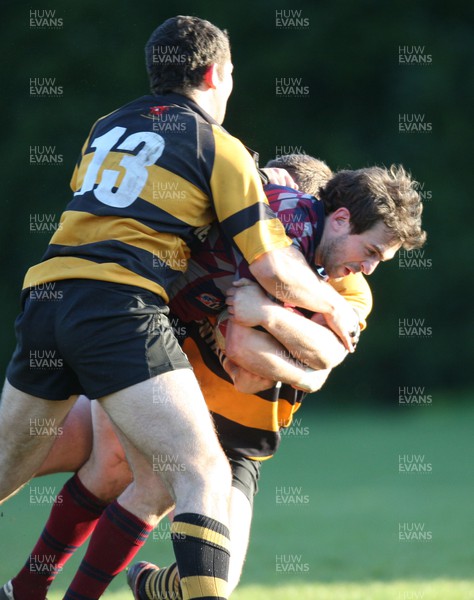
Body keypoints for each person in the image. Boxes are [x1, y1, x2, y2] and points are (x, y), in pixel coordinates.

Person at [0, 15, 360, 600]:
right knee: (202, 473)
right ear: (216, 73)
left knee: (6, 469)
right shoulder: (220, 146)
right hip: (119, 306)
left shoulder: (107, 126)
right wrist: (332, 307)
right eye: (233, 76)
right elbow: (270, 263)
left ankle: (30, 589)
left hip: (47, 295)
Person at [1, 156, 426, 599]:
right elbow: (246, 353)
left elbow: (318, 362)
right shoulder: (260, 242)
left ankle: (146, 585)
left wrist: (269, 317)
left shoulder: (345, 284)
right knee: (102, 467)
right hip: (162, 384)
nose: (371, 265)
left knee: (213, 580)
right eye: (373, 252)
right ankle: (28, 588)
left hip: (242, 439)